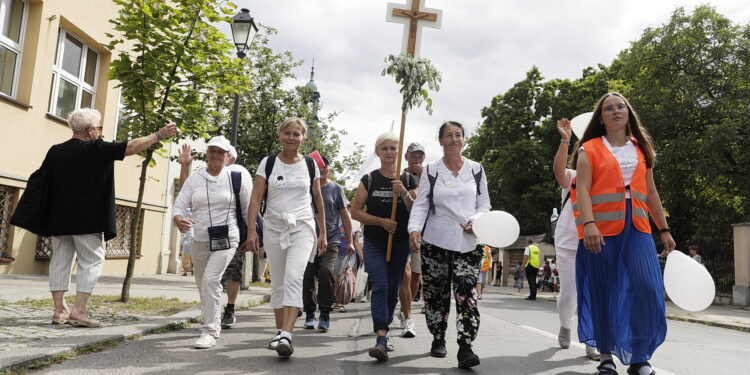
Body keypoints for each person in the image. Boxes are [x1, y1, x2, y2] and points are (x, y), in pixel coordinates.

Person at [41, 108, 176, 327]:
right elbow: (132, 147)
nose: (100, 132)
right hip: (87, 218)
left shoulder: (56, 151)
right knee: (92, 260)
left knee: (60, 261)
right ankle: (79, 310)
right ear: (91, 130)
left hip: (58, 218)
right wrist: (158, 135)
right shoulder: (96, 148)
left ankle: (59, 310)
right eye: (100, 127)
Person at [570, 92, 675, 375]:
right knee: (603, 291)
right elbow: (582, 190)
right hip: (600, 231)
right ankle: (606, 358)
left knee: (647, 290)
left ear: (628, 112)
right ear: (601, 118)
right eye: (609, 108)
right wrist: (589, 225)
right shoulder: (588, 149)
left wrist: (663, 228)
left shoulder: (641, 148)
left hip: (638, 229)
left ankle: (639, 357)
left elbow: (650, 191)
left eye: (620, 106)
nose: (616, 111)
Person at [408, 121, 490, 369]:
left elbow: (484, 205)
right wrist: (413, 229)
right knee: (436, 294)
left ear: (464, 140)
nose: (454, 139)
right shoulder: (431, 171)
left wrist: (476, 221)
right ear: (441, 140)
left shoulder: (476, 169)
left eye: (459, 135)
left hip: (468, 242)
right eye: (449, 135)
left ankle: (465, 346)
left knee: (467, 292)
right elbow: (422, 204)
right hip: (436, 241)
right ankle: (438, 336)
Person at [245, 117, 326, 358]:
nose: (291, 138)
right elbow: (255, 199)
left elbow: (318, 200)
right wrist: (252, 231)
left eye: (296, 134)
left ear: (303, 138)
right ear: (280, 134)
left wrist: (323, 233)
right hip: (273, 226)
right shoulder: (268, 163)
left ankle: (287, 335)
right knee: (278, 282)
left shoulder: (311, 164)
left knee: (293, 277)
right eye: (287, 133)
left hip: (302, 226)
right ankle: (280, 332)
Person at [173, 135, 250, 349]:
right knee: (203, 285)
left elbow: (247, 210)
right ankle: (212, 318)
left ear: (228, 156)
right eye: (212, 151)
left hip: (228, 237)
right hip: (200, 238)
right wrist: (178, 219)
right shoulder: (195, 179)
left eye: (220, 151)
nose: (215, 155)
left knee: (210, 281)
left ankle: (209, 330)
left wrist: (252, 235)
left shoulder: (237, 178)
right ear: (206, 154)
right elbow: (179, 205)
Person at [351, 132, 417, 362]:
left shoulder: (408, 180)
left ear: (400, 153)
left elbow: (416, 211)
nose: (389, 152)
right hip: (375, 242)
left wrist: (404, 194)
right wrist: (381, 222)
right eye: (385, 148)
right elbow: (355, 211)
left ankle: (385, 325)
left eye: (393, 148)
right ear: (378, 152)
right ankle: (381, 336)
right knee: (379, 283)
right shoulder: (369, 180)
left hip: (399, 243)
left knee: (392, 287)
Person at [552, 119, 603, 360]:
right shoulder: (572, 175)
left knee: (592, 293)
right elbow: (559, 173)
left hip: (596, 242)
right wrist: (565, 139)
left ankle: (592, 340)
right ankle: (565, 324)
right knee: (570, 293)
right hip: (568, 241)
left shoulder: (606, 178)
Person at [302, 155, 354, 330]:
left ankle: (325, 313)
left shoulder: (336, 188)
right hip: (307, 239)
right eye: (319, 166)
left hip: (331, 239)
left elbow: (345, 216)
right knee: (307, 277)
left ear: (329, 170)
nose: (323, 169)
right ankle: (309, 312)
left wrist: (351, 240)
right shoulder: (306, 187)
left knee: (326, 272)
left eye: (326, 167)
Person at [397, 142, 425, 338]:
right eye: (413, 156)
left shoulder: (428, 176)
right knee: (405, 274)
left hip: (421, 231)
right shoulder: (400, 177)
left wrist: (423, 177)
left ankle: (407, 304)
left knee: (416, 274)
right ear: (406, 157)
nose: (416, 159)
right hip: (402, 230)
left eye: (420, 156)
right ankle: (407, 314)